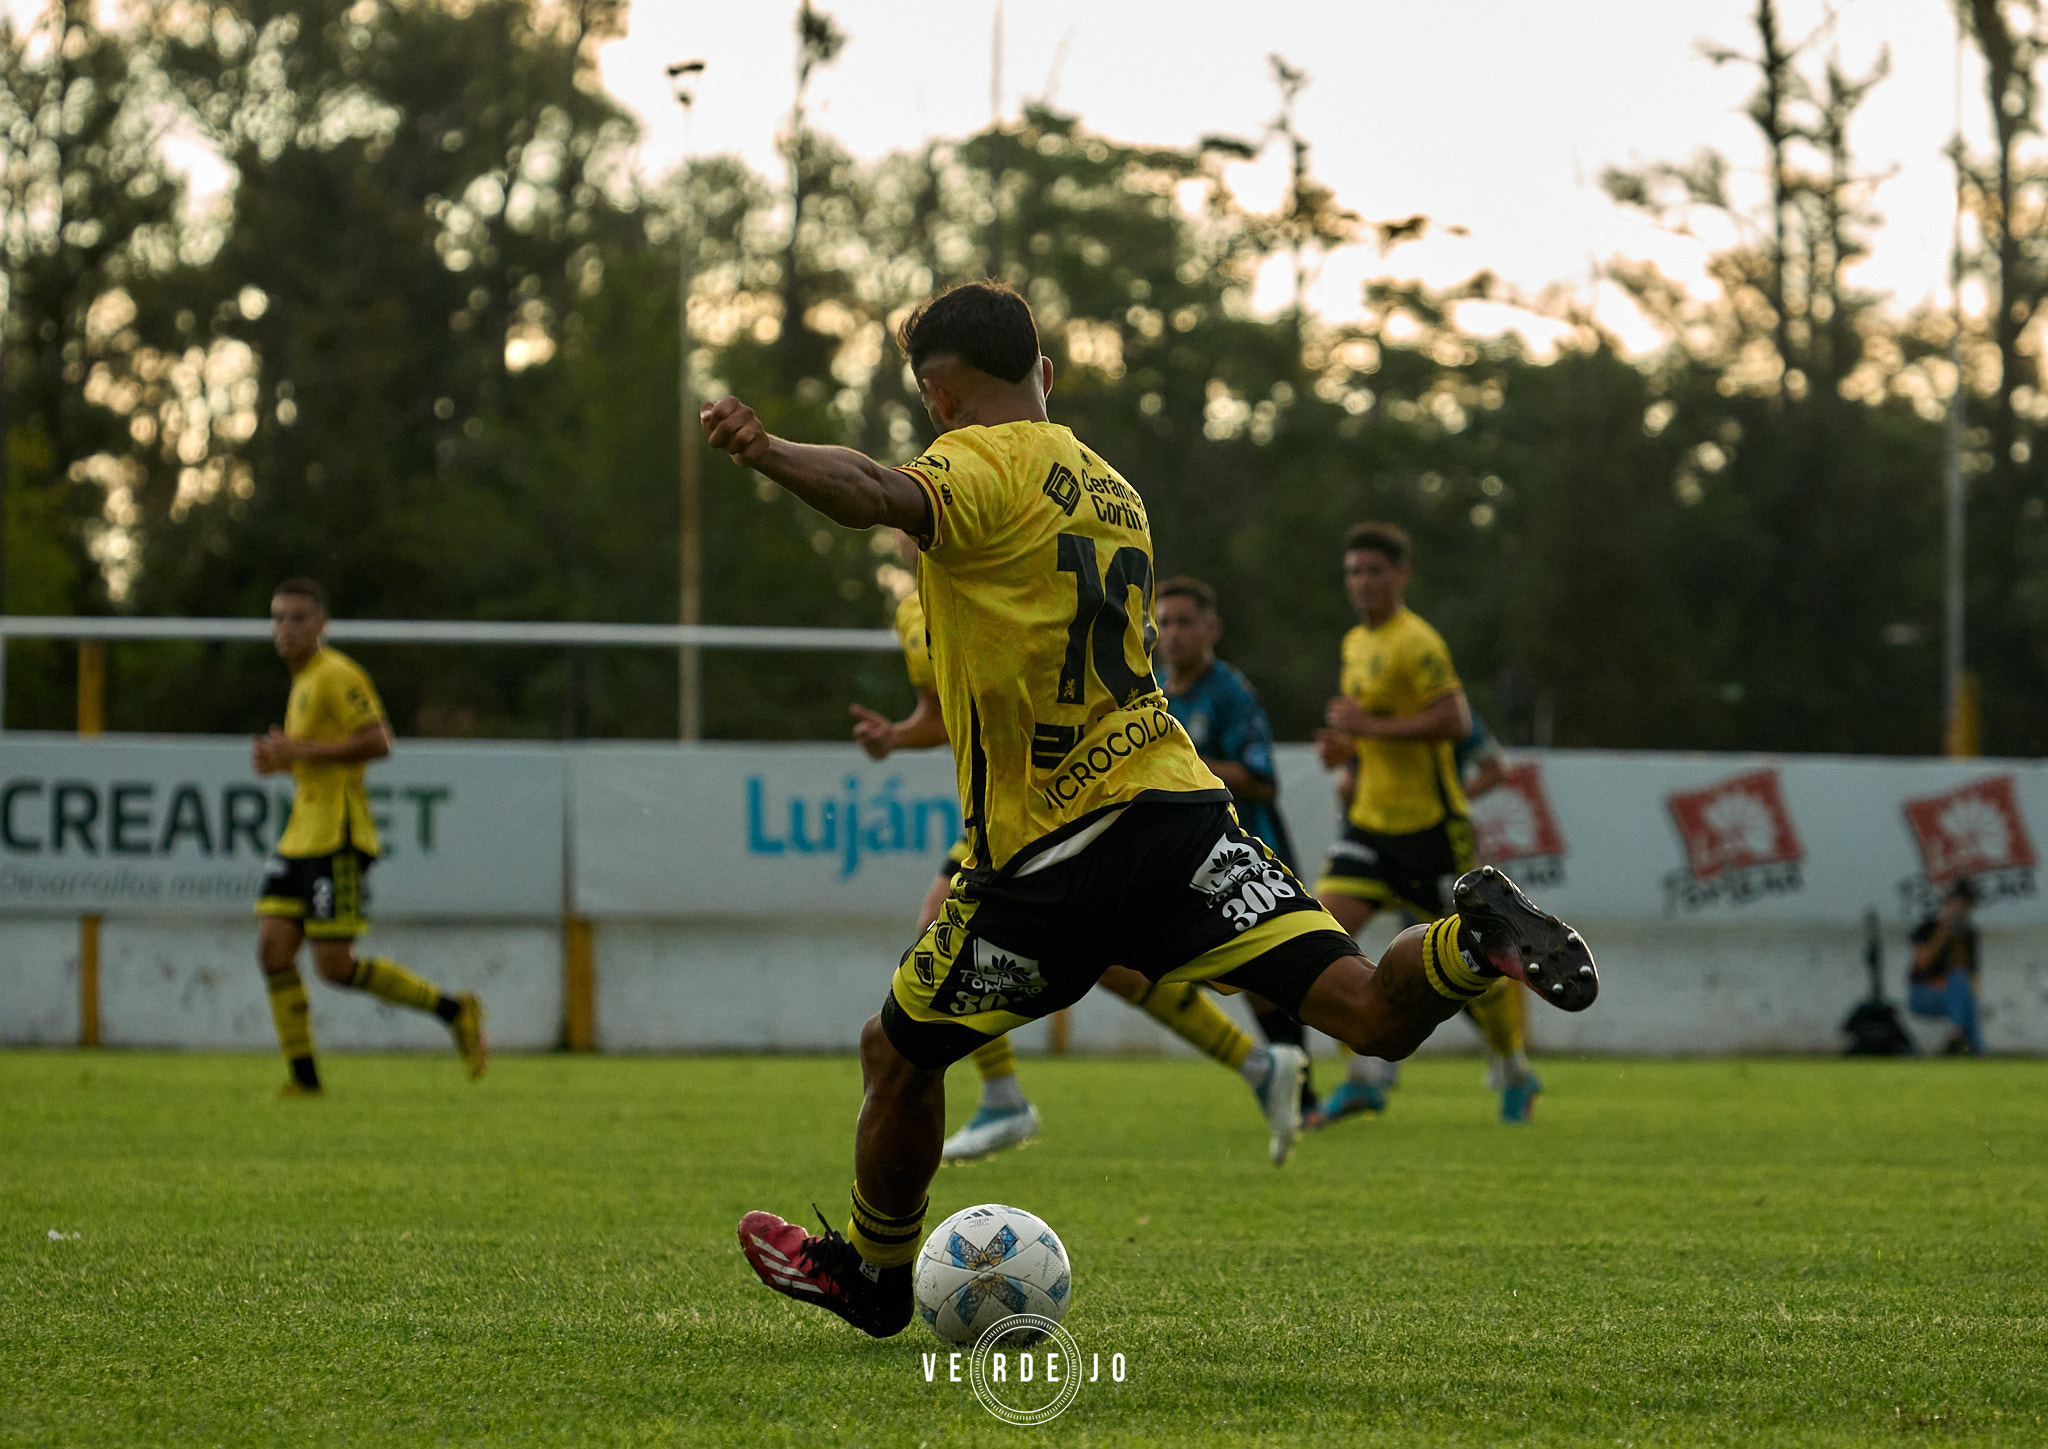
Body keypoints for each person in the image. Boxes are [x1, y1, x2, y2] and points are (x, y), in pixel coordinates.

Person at [711, 280, 1597, 1339]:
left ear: (939, 397)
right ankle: (1465, 942)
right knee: (1366, 1010)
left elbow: (868, 490)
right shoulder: (1114, 488)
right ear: (1044, 374)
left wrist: (767, 451)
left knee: (896, 1054)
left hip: (1045, 852)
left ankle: (874, 1278)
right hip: (1182, 818)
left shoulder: (971, 464)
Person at [854, 545, 1301, 1165]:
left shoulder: (1006, 574)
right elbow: (942, 715)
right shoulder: (914, 610)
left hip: (1055, 796)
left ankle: (1004, 1098)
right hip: (1003, 801)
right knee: (1109, 961)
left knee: (945, 922)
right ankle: (1258, 1065)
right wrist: (896, 738)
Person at [1306, 524, 1539, 1127]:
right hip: (1368, 828)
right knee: (1314, 937)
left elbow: (1454, 721)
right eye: (1354, 572)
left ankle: (1513, 1068)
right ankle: (1365, 1077)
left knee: (1474, 962)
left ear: (1400, 576)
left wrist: (1368, 727)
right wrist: (1347, 754)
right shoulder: (1355, 642)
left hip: (1431, 832)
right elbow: (1370, 728)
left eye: (1374, 571)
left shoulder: (1418, 641)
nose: (1363, 583)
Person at [253, 579, 486, 1095]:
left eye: (297, 618)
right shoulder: (302, 681)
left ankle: (452, 1009)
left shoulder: (337, 674)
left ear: (321, 625)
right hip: (298, 836)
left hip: (337, 836)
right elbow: (311, 755)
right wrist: (283, 762)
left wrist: (299, 753)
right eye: (278, 618)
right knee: (272, 948)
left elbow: (379, 741)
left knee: (334, 966)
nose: (285, 629)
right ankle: (305, 1081)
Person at [1154, 574, 1318, 1116]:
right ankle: (1291, 1087)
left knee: (1272, 977)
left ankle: (1303, 1090)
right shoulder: (1148, 690)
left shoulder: (1229, 693)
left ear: (1211, 629)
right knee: (1240, 977)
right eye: (1166, 621)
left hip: (1250, 850)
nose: (1173, 633)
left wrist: (1183, 766)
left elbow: (1261, 777)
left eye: (1185, 622)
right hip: (1185, 858)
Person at [1908, 879, 1984, 1055]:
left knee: (1964, 990)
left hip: (1953, 994)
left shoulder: (1968, 935)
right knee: (1961, 987)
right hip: (1923, 994)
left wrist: (1958, 938)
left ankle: (1959, 1038)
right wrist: (1943, 931)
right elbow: (1920, 964)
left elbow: (1969, 975)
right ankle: (1974, 1047)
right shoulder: (1927, 928)